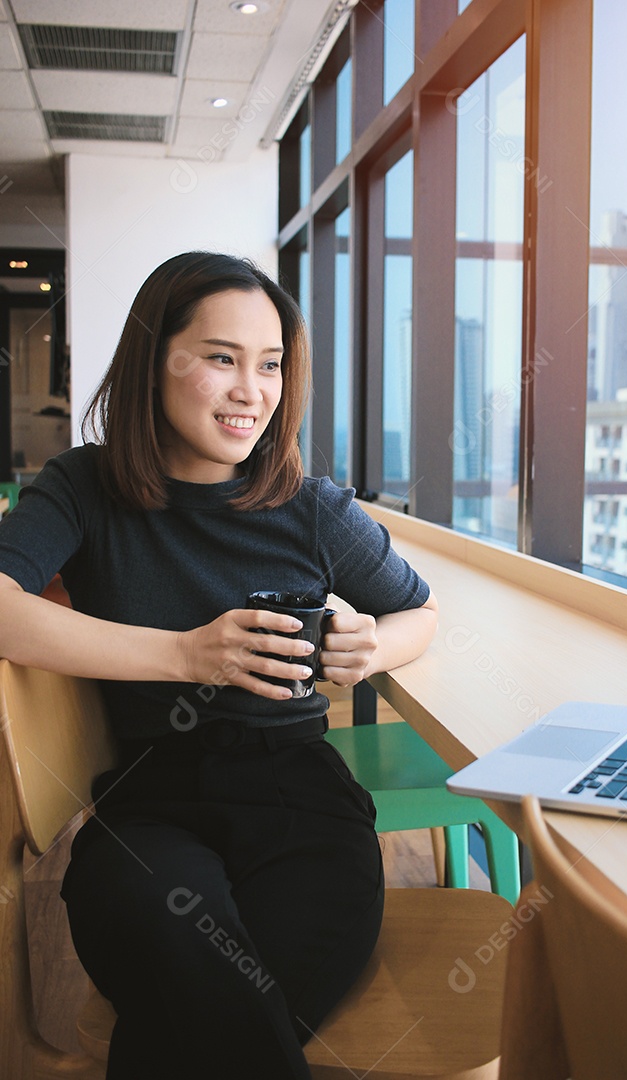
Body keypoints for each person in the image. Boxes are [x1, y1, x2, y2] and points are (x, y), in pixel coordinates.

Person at [0, 251, 438, 1079]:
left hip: (302, 804)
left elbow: (421, 610)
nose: (252, 391)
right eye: (221, 358)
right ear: (152, 361)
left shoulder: (310, 507)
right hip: (148, 805)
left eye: (270, 365)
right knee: (197, 977)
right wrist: (183, 653)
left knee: (199, 1019)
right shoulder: (86, 485)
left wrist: (373, 646)